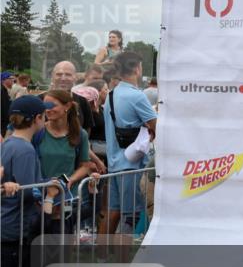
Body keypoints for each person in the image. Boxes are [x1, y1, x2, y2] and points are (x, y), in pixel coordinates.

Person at [1, 97, 60, 267]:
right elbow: (27, 190)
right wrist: (49, 192)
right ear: (37, 118)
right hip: (18, 226)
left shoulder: (9, 143)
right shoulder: (23, 149)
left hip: (8, 223)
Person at [99, 51, 156, 236]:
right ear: (138, 68)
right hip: (132, 165)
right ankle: (124, 261)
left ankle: (100, 257)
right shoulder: (137, 96)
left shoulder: (111, 95)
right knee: (131, 217)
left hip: (115, 163)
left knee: (113, 212)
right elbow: (157, 126)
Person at [37, 90, 99, 233]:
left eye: (53, 105)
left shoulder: (80, 134)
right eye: (45, 105)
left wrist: (71, 180)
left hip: (67, 198)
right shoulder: (39, 132)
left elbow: (85, 165)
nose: (48, 109)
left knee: (63, 239)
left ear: (68, 106)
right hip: (40, 197)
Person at [50, 61, 95, 136]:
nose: (63, 78)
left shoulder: (82, 101)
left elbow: (87, 128)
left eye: (68, 74)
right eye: (59, 74)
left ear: (75, 77)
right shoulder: (39, 100)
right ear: (52, 76)